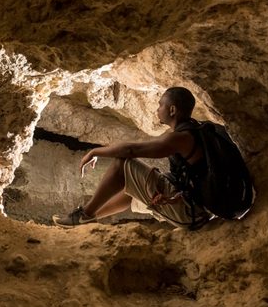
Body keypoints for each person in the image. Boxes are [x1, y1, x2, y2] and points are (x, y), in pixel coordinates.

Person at [53, 86, 209, 228]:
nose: (158, 109)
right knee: (131, 189)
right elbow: (194, 180)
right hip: (191, 207)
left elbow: (130, 150)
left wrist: (94, 152)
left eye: (161, 105)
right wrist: (173, 195)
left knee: (123, 163)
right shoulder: (194, 130)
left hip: (190, 213)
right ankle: (89, 219)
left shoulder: (180, 138)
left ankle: (83, 215)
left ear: (172, 110)